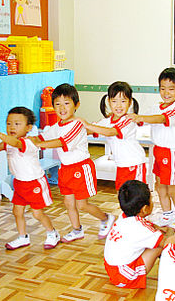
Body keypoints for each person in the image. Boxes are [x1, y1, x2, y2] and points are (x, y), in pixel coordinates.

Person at [33, 83, 115, 243]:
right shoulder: (57, 126)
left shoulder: (78, 124)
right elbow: (43, 137)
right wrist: (27, 139)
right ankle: (77, 230)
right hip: (66, 169)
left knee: (82, 204)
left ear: (76, 105)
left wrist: (39, 144)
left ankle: (106, 218)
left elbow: (62, 142)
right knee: (68, 203)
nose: (62, 108)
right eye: (57, 104)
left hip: (81, 168)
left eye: (66, 103)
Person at [0, 107, 60, 250]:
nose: (11, 127)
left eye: (17, 124)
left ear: (28, 127)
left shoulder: (28, 142)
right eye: (9, 123)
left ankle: (52, 233)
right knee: (17, 212)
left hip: (34, 182)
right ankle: (23, 237)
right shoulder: (7, 143)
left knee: (37, 213)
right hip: (19, 183)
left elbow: (16, 143)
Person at [129, 68, 175, 231]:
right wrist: (133, 118)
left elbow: (161, 119)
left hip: (173, 153)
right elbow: (145, 120)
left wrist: (140, 117)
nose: (166, 92)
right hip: (159, 151)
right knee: (159, 185)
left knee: (173, 189)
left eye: (171, 89)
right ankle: (167, 214)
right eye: (162, 88)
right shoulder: (156, 106)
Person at [79, 81, 147, 190]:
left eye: (123, 101)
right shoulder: (106, 121)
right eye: (114, 101)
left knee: (136, 198)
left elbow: (111, 132)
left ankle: (147, 205)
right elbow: (89, 130)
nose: (119, 105)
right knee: (122, 195)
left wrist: (87, 125)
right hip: (121, 166)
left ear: (130, 103)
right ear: (109, 102)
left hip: (134, 164)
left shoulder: (128, 120)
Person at [104, 180, 168, 289]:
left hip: (113, 269)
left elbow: (146, 226)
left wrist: (158, 228)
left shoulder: (123, 216)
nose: (153, 202)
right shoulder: (139, 228)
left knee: (155, 239)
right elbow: (165, 242)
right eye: (151, 200)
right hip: (124, 276)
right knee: (159, 246)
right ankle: (171, 275)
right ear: (144, 209)